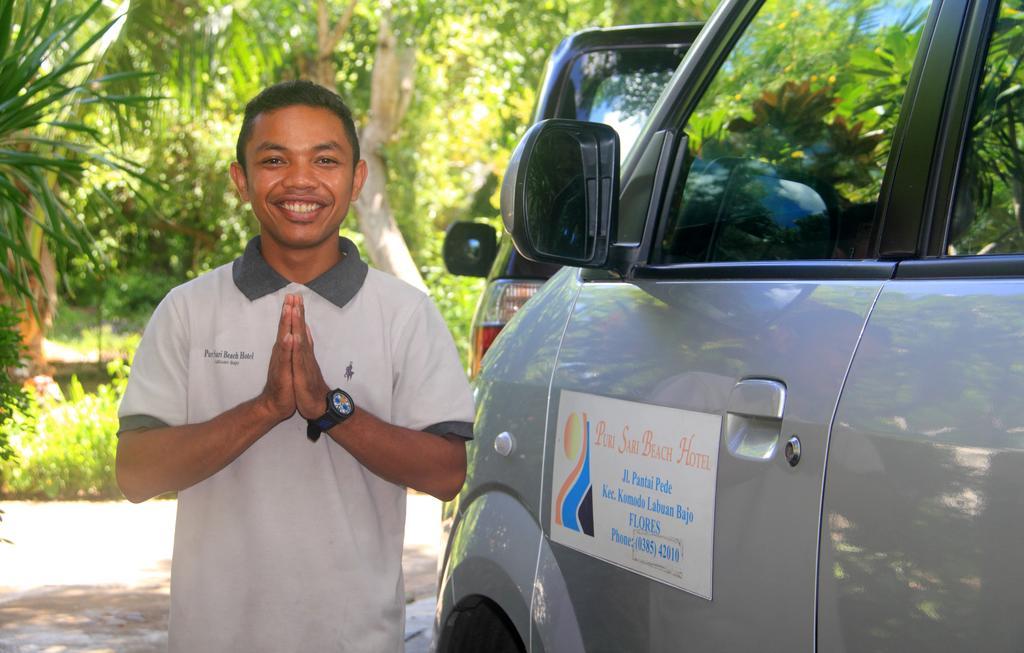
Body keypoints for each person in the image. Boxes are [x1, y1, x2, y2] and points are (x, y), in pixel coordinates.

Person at [115, 80, 474, 652]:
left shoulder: (404, 313)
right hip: (215, 637)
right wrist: (264, 410)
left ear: (356, 180)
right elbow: (136, 475)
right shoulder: (187, 310)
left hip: (356, 639)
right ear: (242, 181)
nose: (300, 181)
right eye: (274, 160)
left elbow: (446, 473)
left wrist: (330, 409)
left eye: (325, 160)